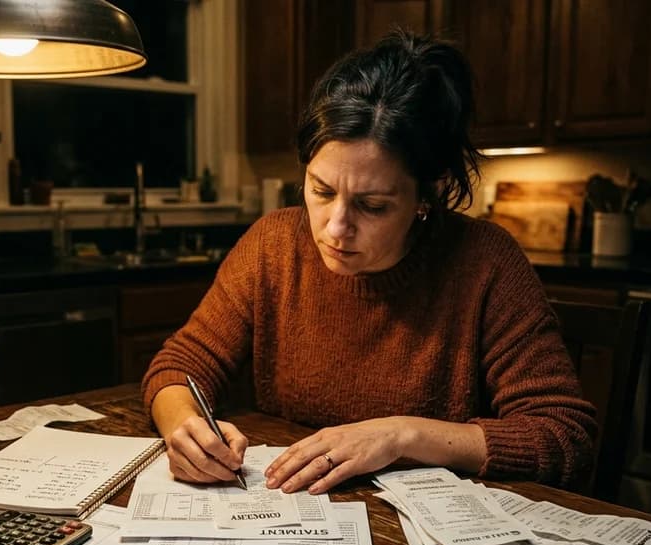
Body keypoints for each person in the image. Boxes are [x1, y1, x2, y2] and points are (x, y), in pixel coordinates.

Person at [141, 29, 597, 495]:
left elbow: (563, 434)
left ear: (428, 194)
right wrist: (184, 427)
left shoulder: (485, 262)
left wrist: (402, 436)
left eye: (372, 206)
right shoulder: (272, 245)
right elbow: (180, 365)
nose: (336, 227)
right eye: (320, 191)